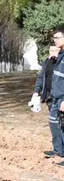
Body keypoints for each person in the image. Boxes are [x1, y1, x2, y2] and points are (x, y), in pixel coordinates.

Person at [30, 28, 64, 160]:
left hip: (61, 97)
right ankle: (58, 150)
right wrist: (37, 92)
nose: (55, 40)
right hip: (54, 96)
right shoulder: (54, 59)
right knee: (54, 123)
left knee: (62, 125)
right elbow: (43, 77)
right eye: (54, 38)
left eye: (57, 38)